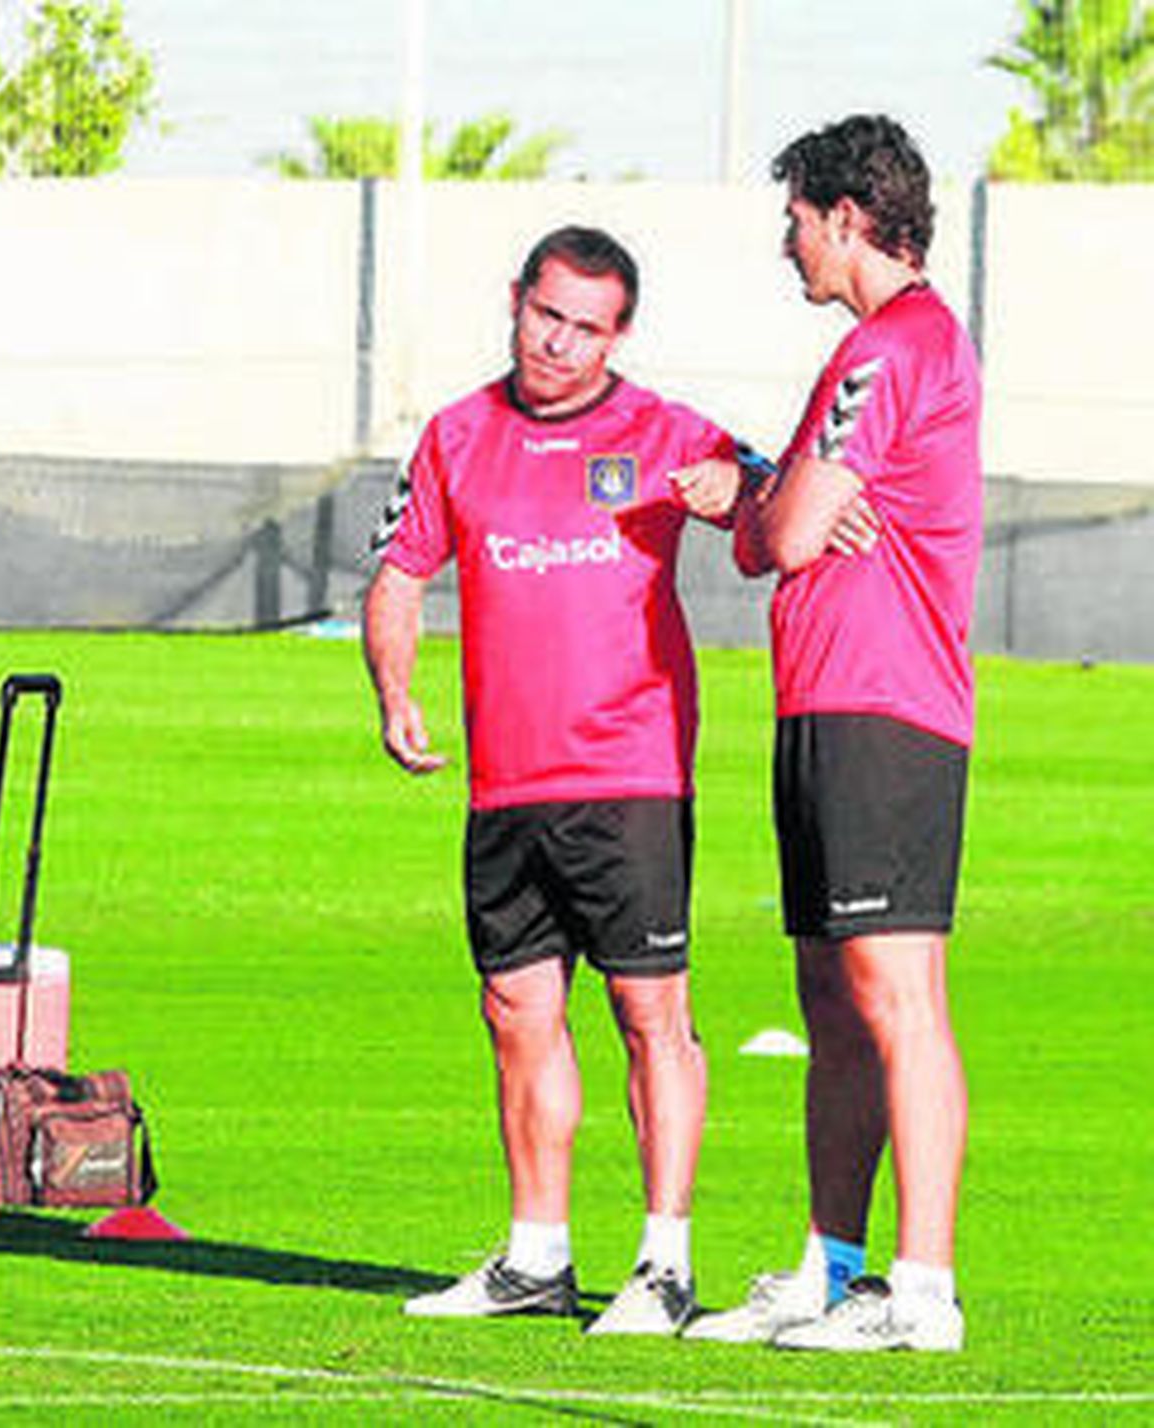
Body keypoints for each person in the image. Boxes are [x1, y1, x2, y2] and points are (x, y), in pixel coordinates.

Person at [363, 224, 757, 1335]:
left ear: (617, 334)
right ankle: (535, 1255)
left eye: (586, 329)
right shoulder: (455, 435)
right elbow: (397, 574)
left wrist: (738, 487)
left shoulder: (664, 428)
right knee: (515, 1010)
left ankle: (664, 1266)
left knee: (648, 1012)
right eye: (547, 316)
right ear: (515, 301)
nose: (560, 344)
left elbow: (774, 500)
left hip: (628, 776)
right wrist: (394, 694)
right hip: (503, 786)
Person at [683, 115, 982, 1353]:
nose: (786, 244)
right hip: (824, 703)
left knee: (894, 992)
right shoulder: (874, 357)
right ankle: (836, 1263)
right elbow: (802, 510)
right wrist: (782, 494)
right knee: (830, 991)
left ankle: (920, 1292)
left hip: (886, 706)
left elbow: (790, 532)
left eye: (796, 218)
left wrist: (757, 504)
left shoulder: (889, 346)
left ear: (848, 217)